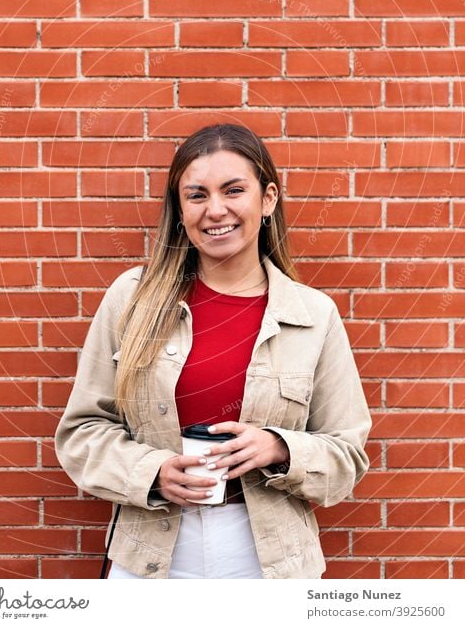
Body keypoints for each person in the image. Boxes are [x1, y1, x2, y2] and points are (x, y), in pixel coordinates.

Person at [54, 123, 372, 579]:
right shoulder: (132, 300)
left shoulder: (313, 315)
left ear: (267, 199)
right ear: (180, 210)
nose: (215, 210)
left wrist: (280, 447)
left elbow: (347, 455)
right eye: (197, 195)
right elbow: (81, 433)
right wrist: (152, 471)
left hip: (269, 560)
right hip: (151, 554)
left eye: (234, 190)